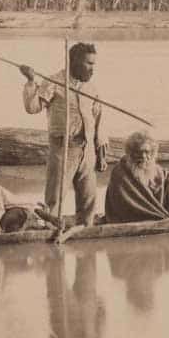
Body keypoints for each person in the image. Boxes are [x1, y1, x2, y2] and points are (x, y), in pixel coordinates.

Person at [20, 42, 108, 227]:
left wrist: (100, 151)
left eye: (94, 64)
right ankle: (50, 230)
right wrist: (30, 81)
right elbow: (32, 107)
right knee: (54, 199)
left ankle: (86, 234)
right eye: (88, 64)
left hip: (87, 150)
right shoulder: (54, 83)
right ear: (75, 62)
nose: (92, 69)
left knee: (88, 200)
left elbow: (99, 119)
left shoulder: (91, 88)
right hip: (63, 149)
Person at [104, 131, 169, 222]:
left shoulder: (162, 173)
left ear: (152, 153)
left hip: (161, 216)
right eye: (138, 152)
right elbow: (121, 205)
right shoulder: (119, 173)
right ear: (130, 153)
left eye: (147, 152)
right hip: (129, 219)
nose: (143, 156)